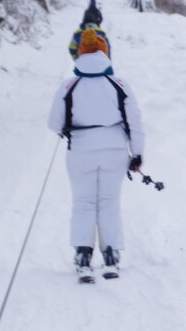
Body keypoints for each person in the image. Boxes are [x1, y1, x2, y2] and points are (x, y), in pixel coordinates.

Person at [47, 29, 146, 279]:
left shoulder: (69, 85)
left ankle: (83, 254)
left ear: (80, 54)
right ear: (104, 52)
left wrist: (68, 131)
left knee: (84, 203)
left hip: (81, 152)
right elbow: (135, 121)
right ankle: (111, 255)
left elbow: (54, 123)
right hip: (114, 151)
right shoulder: (119, 84)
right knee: (109, 202)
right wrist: (137, 154)